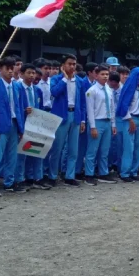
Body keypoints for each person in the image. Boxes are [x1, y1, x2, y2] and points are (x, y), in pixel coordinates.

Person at [0, 57, 23, 197]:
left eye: (12, 68)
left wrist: (21, 128)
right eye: (7, 68)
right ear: (0, 69)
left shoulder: (16, 86)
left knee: (12, 156)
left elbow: (18, 108)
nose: (10, 71)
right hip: (0, 125)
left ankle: (9, 182)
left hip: (14, 123)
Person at [47, 54, 86, 187]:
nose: (72, 66)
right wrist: (64, 78)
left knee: (73, 149)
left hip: (75, 115)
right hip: (61, 115)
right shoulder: (56, 79)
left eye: (74, 64)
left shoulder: (79, 81)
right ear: (63, 66)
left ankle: (70, 175)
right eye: (69, 64)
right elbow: (54, 92)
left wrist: (83, 120)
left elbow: (82, 102)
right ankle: (52, 175)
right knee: (57, 148)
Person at [84, 66, 117, 185]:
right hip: (97, 122)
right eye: (102, 74)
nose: (105, 76)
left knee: (104, 150)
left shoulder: (109, 89)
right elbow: (90, 110)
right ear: (96, 75)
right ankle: (89, 174)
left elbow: (112, 108)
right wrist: (93, 127)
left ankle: (103, 173)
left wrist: (113, 124)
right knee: (92, 150)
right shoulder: (92, 91)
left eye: (107, 74)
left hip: (107, 121)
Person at [17, 63, 47, 189]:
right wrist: (24, 110)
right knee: (21, 152)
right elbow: (15, 107)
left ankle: (35, 177)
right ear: (21, 74)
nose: (31, 75)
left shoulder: (37, 90)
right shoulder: (17, 88)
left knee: (35, 150)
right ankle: (19, 178)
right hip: (22, 122)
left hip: (35, 123)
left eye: (33, 73)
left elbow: (41, 107)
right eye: (28, 73)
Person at [116, 66, 139, 183]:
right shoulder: (129, 88)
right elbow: (124, 105)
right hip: (130, 119)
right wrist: (129, 119)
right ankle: (125, 172)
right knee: (129, 148)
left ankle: (134, 171)